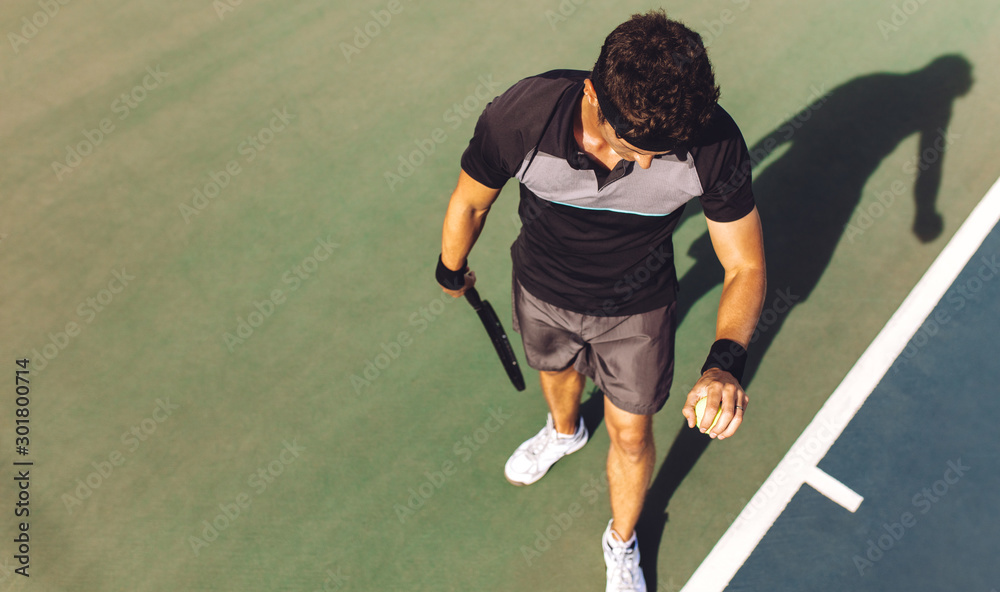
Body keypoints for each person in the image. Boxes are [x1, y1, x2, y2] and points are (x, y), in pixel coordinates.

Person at [436, 10, 765, 591]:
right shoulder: (523, 115)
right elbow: (470, 202)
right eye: (634, 147)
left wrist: (724, 364)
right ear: (591, 95)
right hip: (541, 286)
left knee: (633, 434)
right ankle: (565, 432)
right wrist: (451, 267)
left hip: (639, 310)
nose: (644, 165)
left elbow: (744, 264)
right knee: (556, 373)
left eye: (659, 155)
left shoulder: (709, 140)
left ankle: (622, 540)